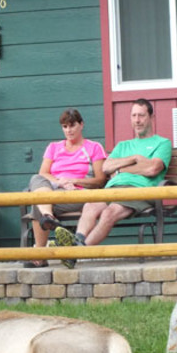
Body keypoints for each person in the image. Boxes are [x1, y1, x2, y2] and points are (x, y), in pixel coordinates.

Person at [54, 99, 171, 264]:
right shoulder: (123, 146)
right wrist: (135, 159)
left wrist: (121, 169)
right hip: (112, 188)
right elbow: (106, 167)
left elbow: (152, 169)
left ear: (151, 117)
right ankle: (77, 241)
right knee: (90, 205)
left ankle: (76, 253)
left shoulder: (162, 143)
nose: (137, 120)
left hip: (139, 190)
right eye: (134, 116)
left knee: (110, 212)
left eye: (141, 116)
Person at [24, 108, 107, 267]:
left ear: (81, 125)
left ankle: (40, 255)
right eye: (65, 126)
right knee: (36, 179)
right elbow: (43, 173)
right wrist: (60, 182)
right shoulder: (54, 147)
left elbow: (100, 180)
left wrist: (74, 181)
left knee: (38, 203)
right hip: (55, 190)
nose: (68, 130)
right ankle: (49, 216)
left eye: (72, 125)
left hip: (78, 194)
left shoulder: (93, 147)